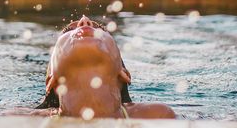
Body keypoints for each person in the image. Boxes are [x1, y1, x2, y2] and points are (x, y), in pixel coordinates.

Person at [28, 15, 175, 119]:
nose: (84, 21)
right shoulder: (22, 118)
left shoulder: (158, 114)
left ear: (123, 74)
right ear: (51, 81)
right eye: (68, 31)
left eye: (100, 30)